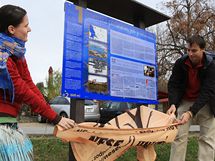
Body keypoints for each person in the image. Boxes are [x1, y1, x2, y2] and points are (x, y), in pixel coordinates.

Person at [0, 4, 75, 161]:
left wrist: (51, 113)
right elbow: (22, 91)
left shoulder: (18, 54)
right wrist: (56, 118)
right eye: (26, 25)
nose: (30, 29)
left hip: (9, 124)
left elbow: (29, 85)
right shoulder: (3, 58)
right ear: (11, 29)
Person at [167, 35, 215, 161]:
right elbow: (173, 84)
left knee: (207, 139)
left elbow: (207, 91)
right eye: (188, 50)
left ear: (203, 49)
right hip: (185, 102)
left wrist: (191, 112)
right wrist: (173, 104)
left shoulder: (212, 65)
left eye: (194, 50)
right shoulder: (180, 63)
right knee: (178, 137)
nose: (190, 53)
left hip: (206, 103)